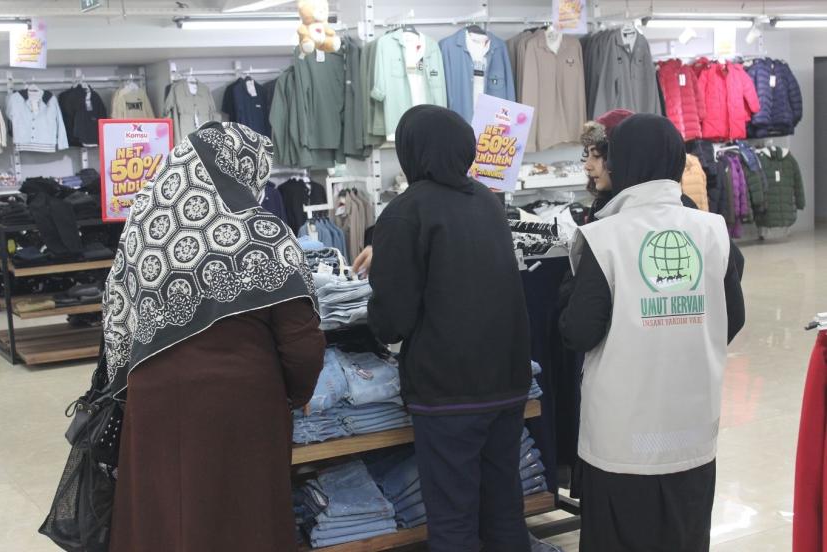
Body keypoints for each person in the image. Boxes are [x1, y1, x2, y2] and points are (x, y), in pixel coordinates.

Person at [105, 122, 326, 552]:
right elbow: (301, 341)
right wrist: (296, 394)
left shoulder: (143, 230)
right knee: (241, 519)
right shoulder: (263, 233)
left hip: (151, 401)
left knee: (164, 517)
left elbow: (116, 322)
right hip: (239, 406)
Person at [559, 114, 745, 551]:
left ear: (622, 162)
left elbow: (578, 331)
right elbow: (732, 317)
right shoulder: (712, 230)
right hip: (692, 431)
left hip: (623, 439)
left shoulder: (604, 237)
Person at [367, 105, 533, 552]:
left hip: (448, 389)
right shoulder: (488, 201)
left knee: (453, 519)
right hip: (508, 380)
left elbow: (392, 320)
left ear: (411, 151)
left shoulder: (405, 212)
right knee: (503, 509)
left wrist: (375, 317)